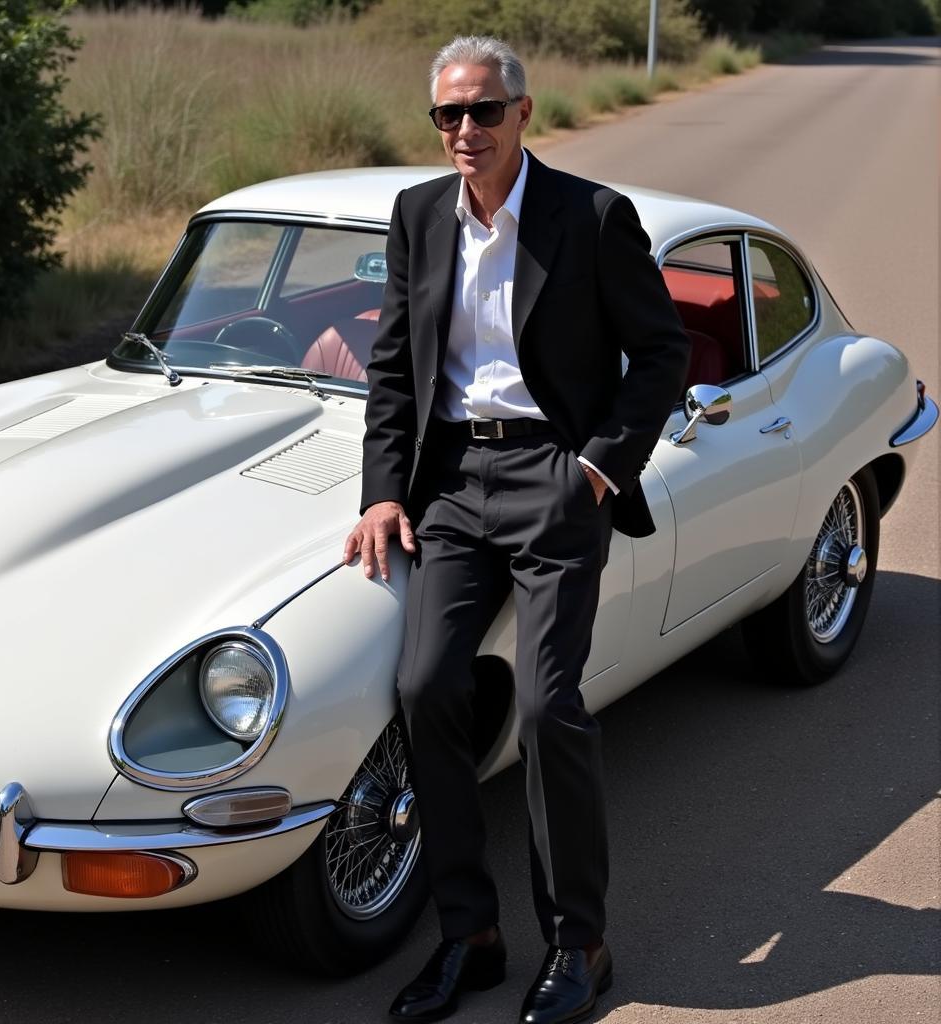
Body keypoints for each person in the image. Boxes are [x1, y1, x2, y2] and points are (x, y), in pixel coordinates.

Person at [342, 35, 690, 1024]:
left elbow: (660, 356)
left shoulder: (590, 215)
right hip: (450, 481)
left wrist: (592, 470)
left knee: (546, 707)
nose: (463, 131)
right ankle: (471, 935)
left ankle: (580, 940)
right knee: (424, 685)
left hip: (552, 474)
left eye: (482, 112)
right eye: (446, 115)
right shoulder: (417, 216)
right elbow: (391, 367)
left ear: (523, 113)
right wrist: (381, 491)